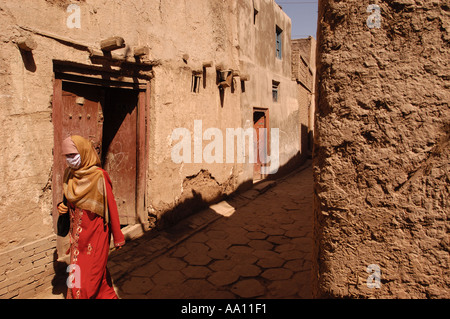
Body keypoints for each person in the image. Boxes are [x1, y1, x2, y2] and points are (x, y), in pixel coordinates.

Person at [57, 135, 125, 299]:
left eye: (73, 155)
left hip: (95, 236)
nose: (70, 160)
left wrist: (118, 237)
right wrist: (62, 208)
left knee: (90, 280)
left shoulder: (99, 176)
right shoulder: (69, 174)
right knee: (85, 278)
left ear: (84, 152)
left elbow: (111, 206)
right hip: (77, 238)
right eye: (67, 156)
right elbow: (68, 201)